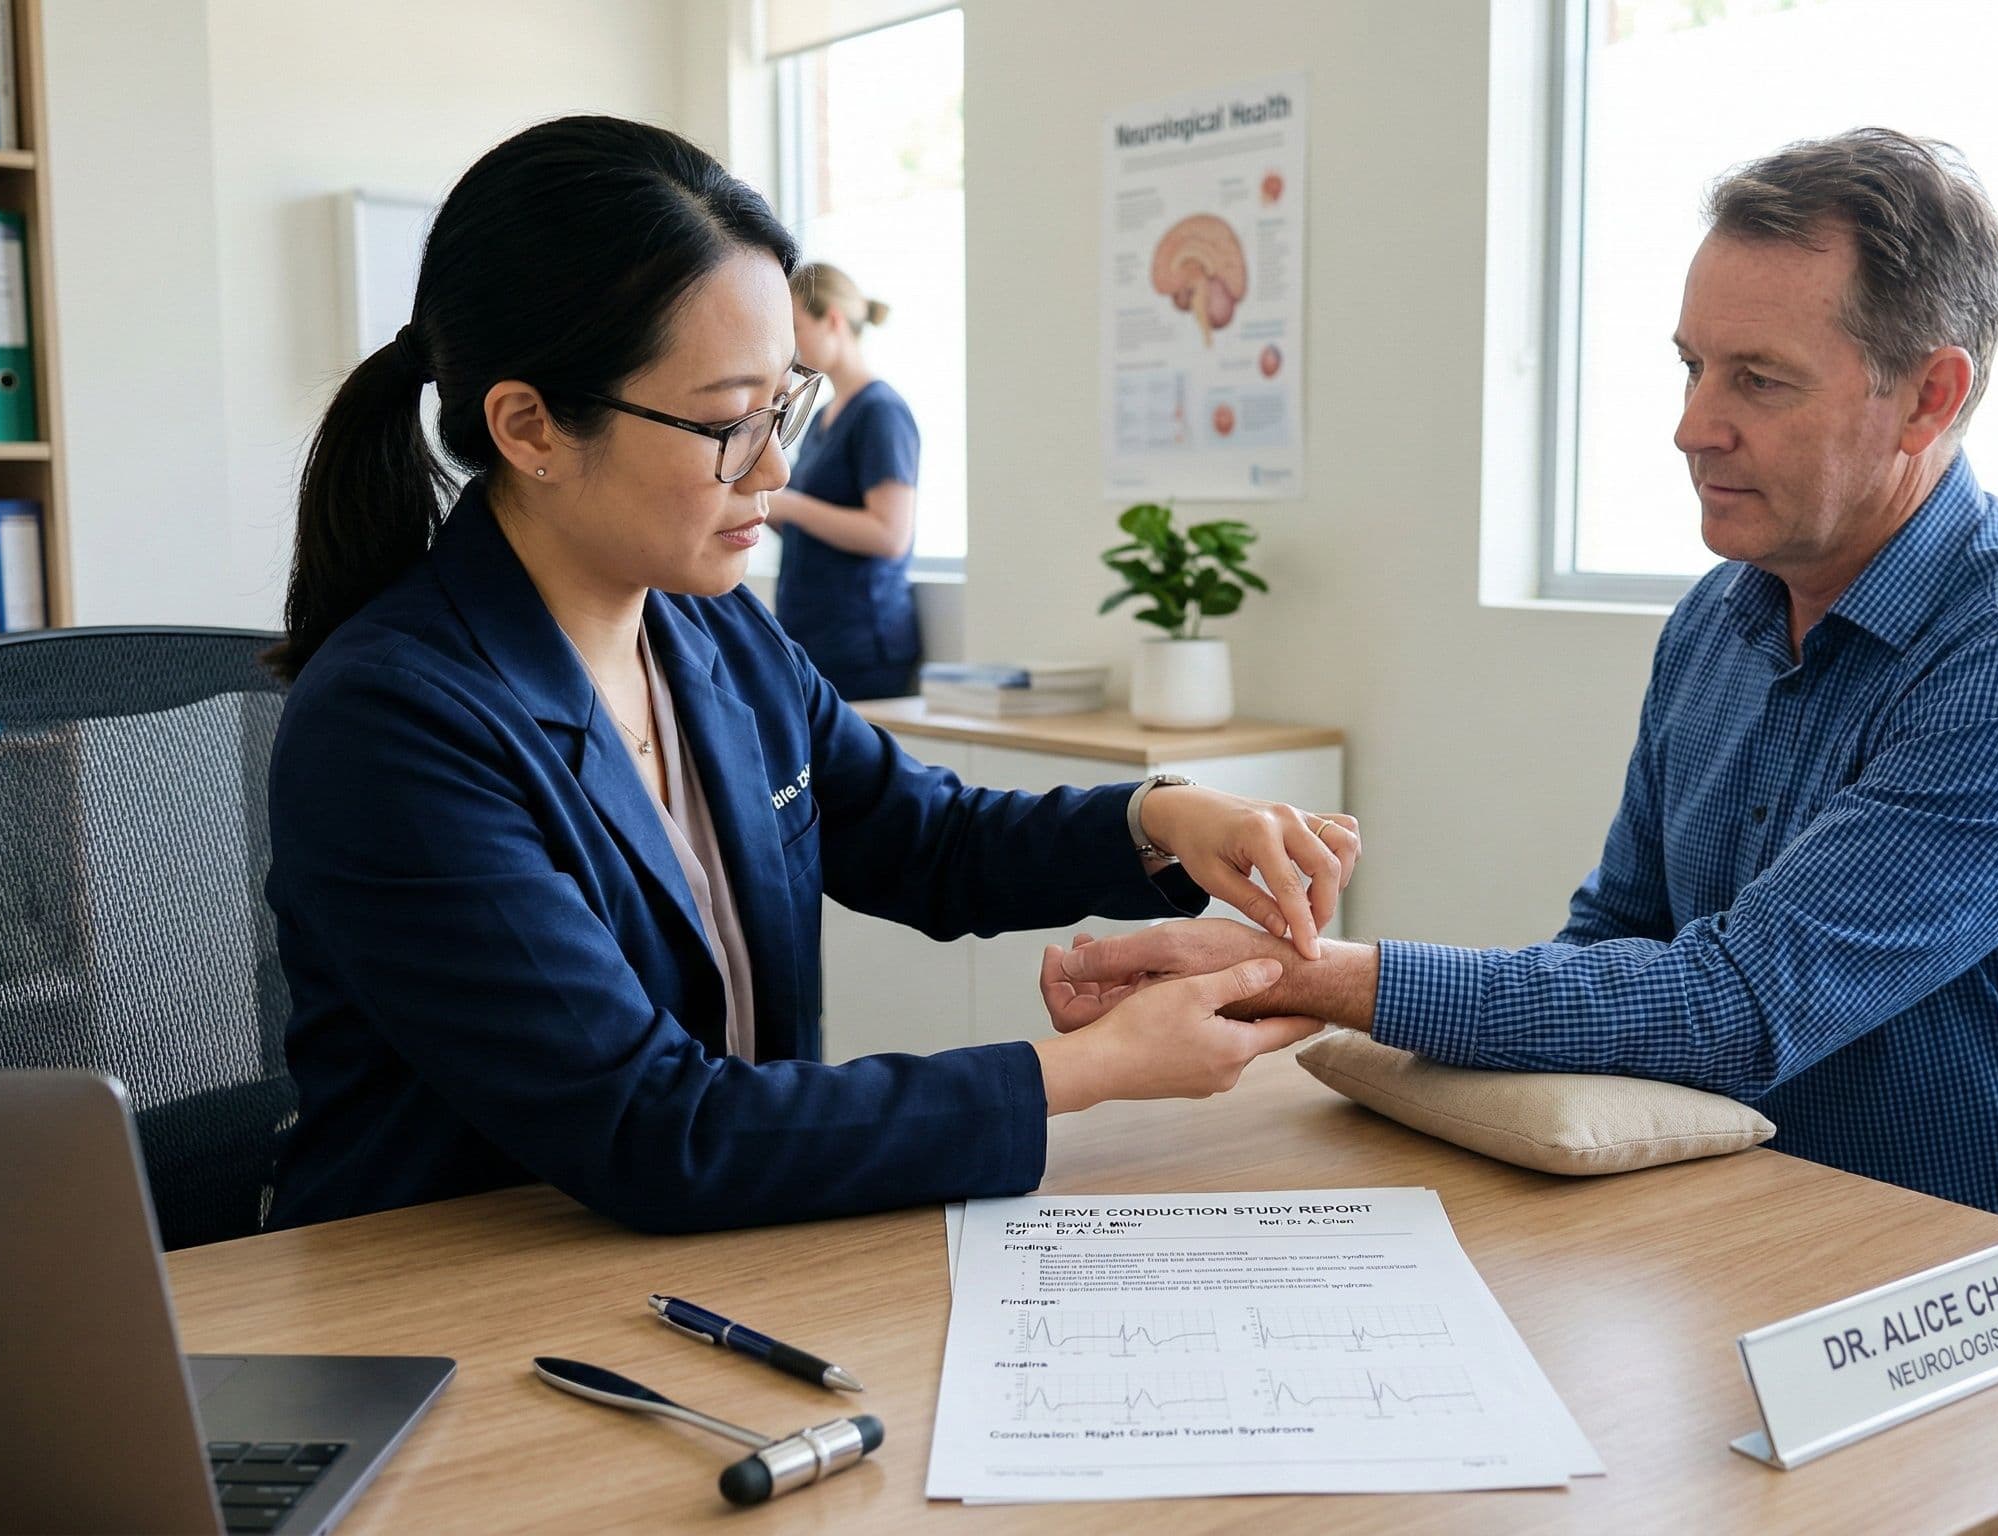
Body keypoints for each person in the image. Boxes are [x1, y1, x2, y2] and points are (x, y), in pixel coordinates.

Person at [1046, 129, 1998, 1244]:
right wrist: (1299, 977)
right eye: (1691, 365)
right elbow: (1614, 946)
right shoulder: (1718, 620)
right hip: (1732, 1230)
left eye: (1759, 380)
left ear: (1928, 398)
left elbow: (1735, 1006)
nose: (1692, 427)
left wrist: (1318, 978)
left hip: (1985, 1296)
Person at [263, 116, 1363, 1235]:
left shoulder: (717, 635)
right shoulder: (394, 723)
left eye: (784, 405)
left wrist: (1161, 817)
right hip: (448, 1301)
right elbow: (657, 1128)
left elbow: (926, 839)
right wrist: (1082, 1071)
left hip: (715, 1257)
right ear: (529, 424)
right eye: (728, 422)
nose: (778, 469)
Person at [765, 262, 923, 699]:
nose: (788, 344)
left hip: (860, 645)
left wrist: (790, 506)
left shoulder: (880, 412)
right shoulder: (821, 417)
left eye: (794, 326)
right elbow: (807, 522)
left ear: (832, 319)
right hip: (814, 637)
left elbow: (889, 534)